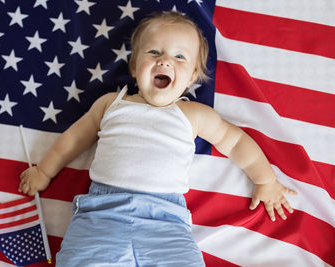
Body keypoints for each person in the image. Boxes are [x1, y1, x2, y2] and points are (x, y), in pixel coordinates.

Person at [19, 11, 297, 267]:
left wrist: (265, 180)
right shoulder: (111, 104)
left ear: (191, 78)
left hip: (166, 222)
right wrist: (44, 171)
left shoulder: (193, 114)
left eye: (179, 57)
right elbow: (74, 138)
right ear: (134, 66)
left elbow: (236, 143)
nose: (164, 61)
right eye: (154, 52)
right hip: (101, 216)